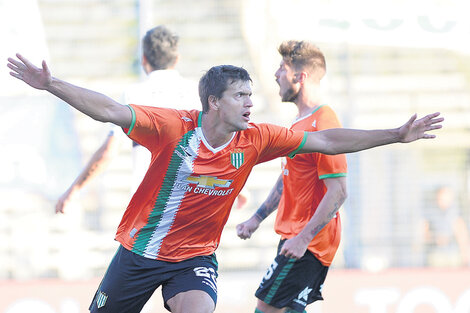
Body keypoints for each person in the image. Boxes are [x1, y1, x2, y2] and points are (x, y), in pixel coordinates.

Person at [7, 53, 443, 313]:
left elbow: (326, 139)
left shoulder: (258, 138)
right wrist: (51, 85)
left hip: (193, 258)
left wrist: (395, 135)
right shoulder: (172, 128)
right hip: (139, 253)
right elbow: (109, 111)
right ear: (213, 102)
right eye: (240, 96)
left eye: (251, 95)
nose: (250, 104)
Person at [236, 40, 347, 313]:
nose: (276, 74)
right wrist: (257, 218)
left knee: (266, 307)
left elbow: (339, 191)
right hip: (296, 238)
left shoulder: (324, 121)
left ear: (301, 76)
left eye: (281, 68)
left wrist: (304, 239)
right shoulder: (300, 121)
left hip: (308, 241)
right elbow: (289, 178)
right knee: (289, 309)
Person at [55, 25, 199, 213]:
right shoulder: (197, 92)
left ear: (144, 59)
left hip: (151, 203)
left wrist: (74, 190)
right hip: (193, 200)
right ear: (177, 59)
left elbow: (109, 150)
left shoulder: (135, 94)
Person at [421, 186, 470, 267]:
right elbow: (424, 234)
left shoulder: (455, 213)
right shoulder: (430, 213)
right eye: (442, 197)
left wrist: (465, 255)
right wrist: (435, 239)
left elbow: (462, 235)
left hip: (452, 254)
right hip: (436, 254)